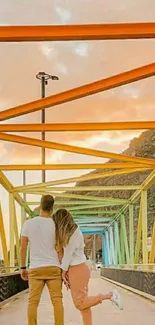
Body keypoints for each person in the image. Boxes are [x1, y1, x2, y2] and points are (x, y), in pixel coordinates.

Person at [53, 209, 123, 325]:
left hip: (77, 269)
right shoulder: (75, 232)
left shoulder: (73, 235)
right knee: (84, 305)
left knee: (80, 303)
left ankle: (110, 295)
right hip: (79, 269)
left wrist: (62, 272)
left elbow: (68, 255)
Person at [20, 195, 64, 325]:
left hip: (35, 268)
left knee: (33, 302)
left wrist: (23, 267)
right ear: (52, 207)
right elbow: (61, 248)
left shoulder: (29, 223)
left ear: (40, 205)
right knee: (57, 301)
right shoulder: (56, 225)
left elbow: (23, 248)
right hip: (53, 267)